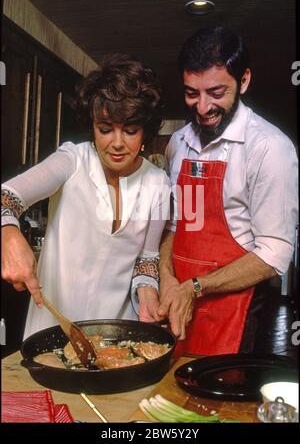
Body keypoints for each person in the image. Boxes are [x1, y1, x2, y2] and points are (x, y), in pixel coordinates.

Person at [1, 53, 170, 338]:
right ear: (92, 126)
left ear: (145, 132)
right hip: (51, 330)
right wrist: (7, 232)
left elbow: (147, 260)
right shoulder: (72, 161)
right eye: (105, 130)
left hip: (116, 334)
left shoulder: (159, 184)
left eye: (130, 131)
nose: (117, 143)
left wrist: (148, 293)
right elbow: (7, 195)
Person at [158, 26, 298, 356]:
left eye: (216, 93)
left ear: (244, 81)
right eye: (192, 93)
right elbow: (181, 225)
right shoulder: (179, 144)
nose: (203, 107)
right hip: (177, 308)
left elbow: (274, 252)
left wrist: (195, 288)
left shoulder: (269, 148)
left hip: (236, 314)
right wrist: (166, 278)